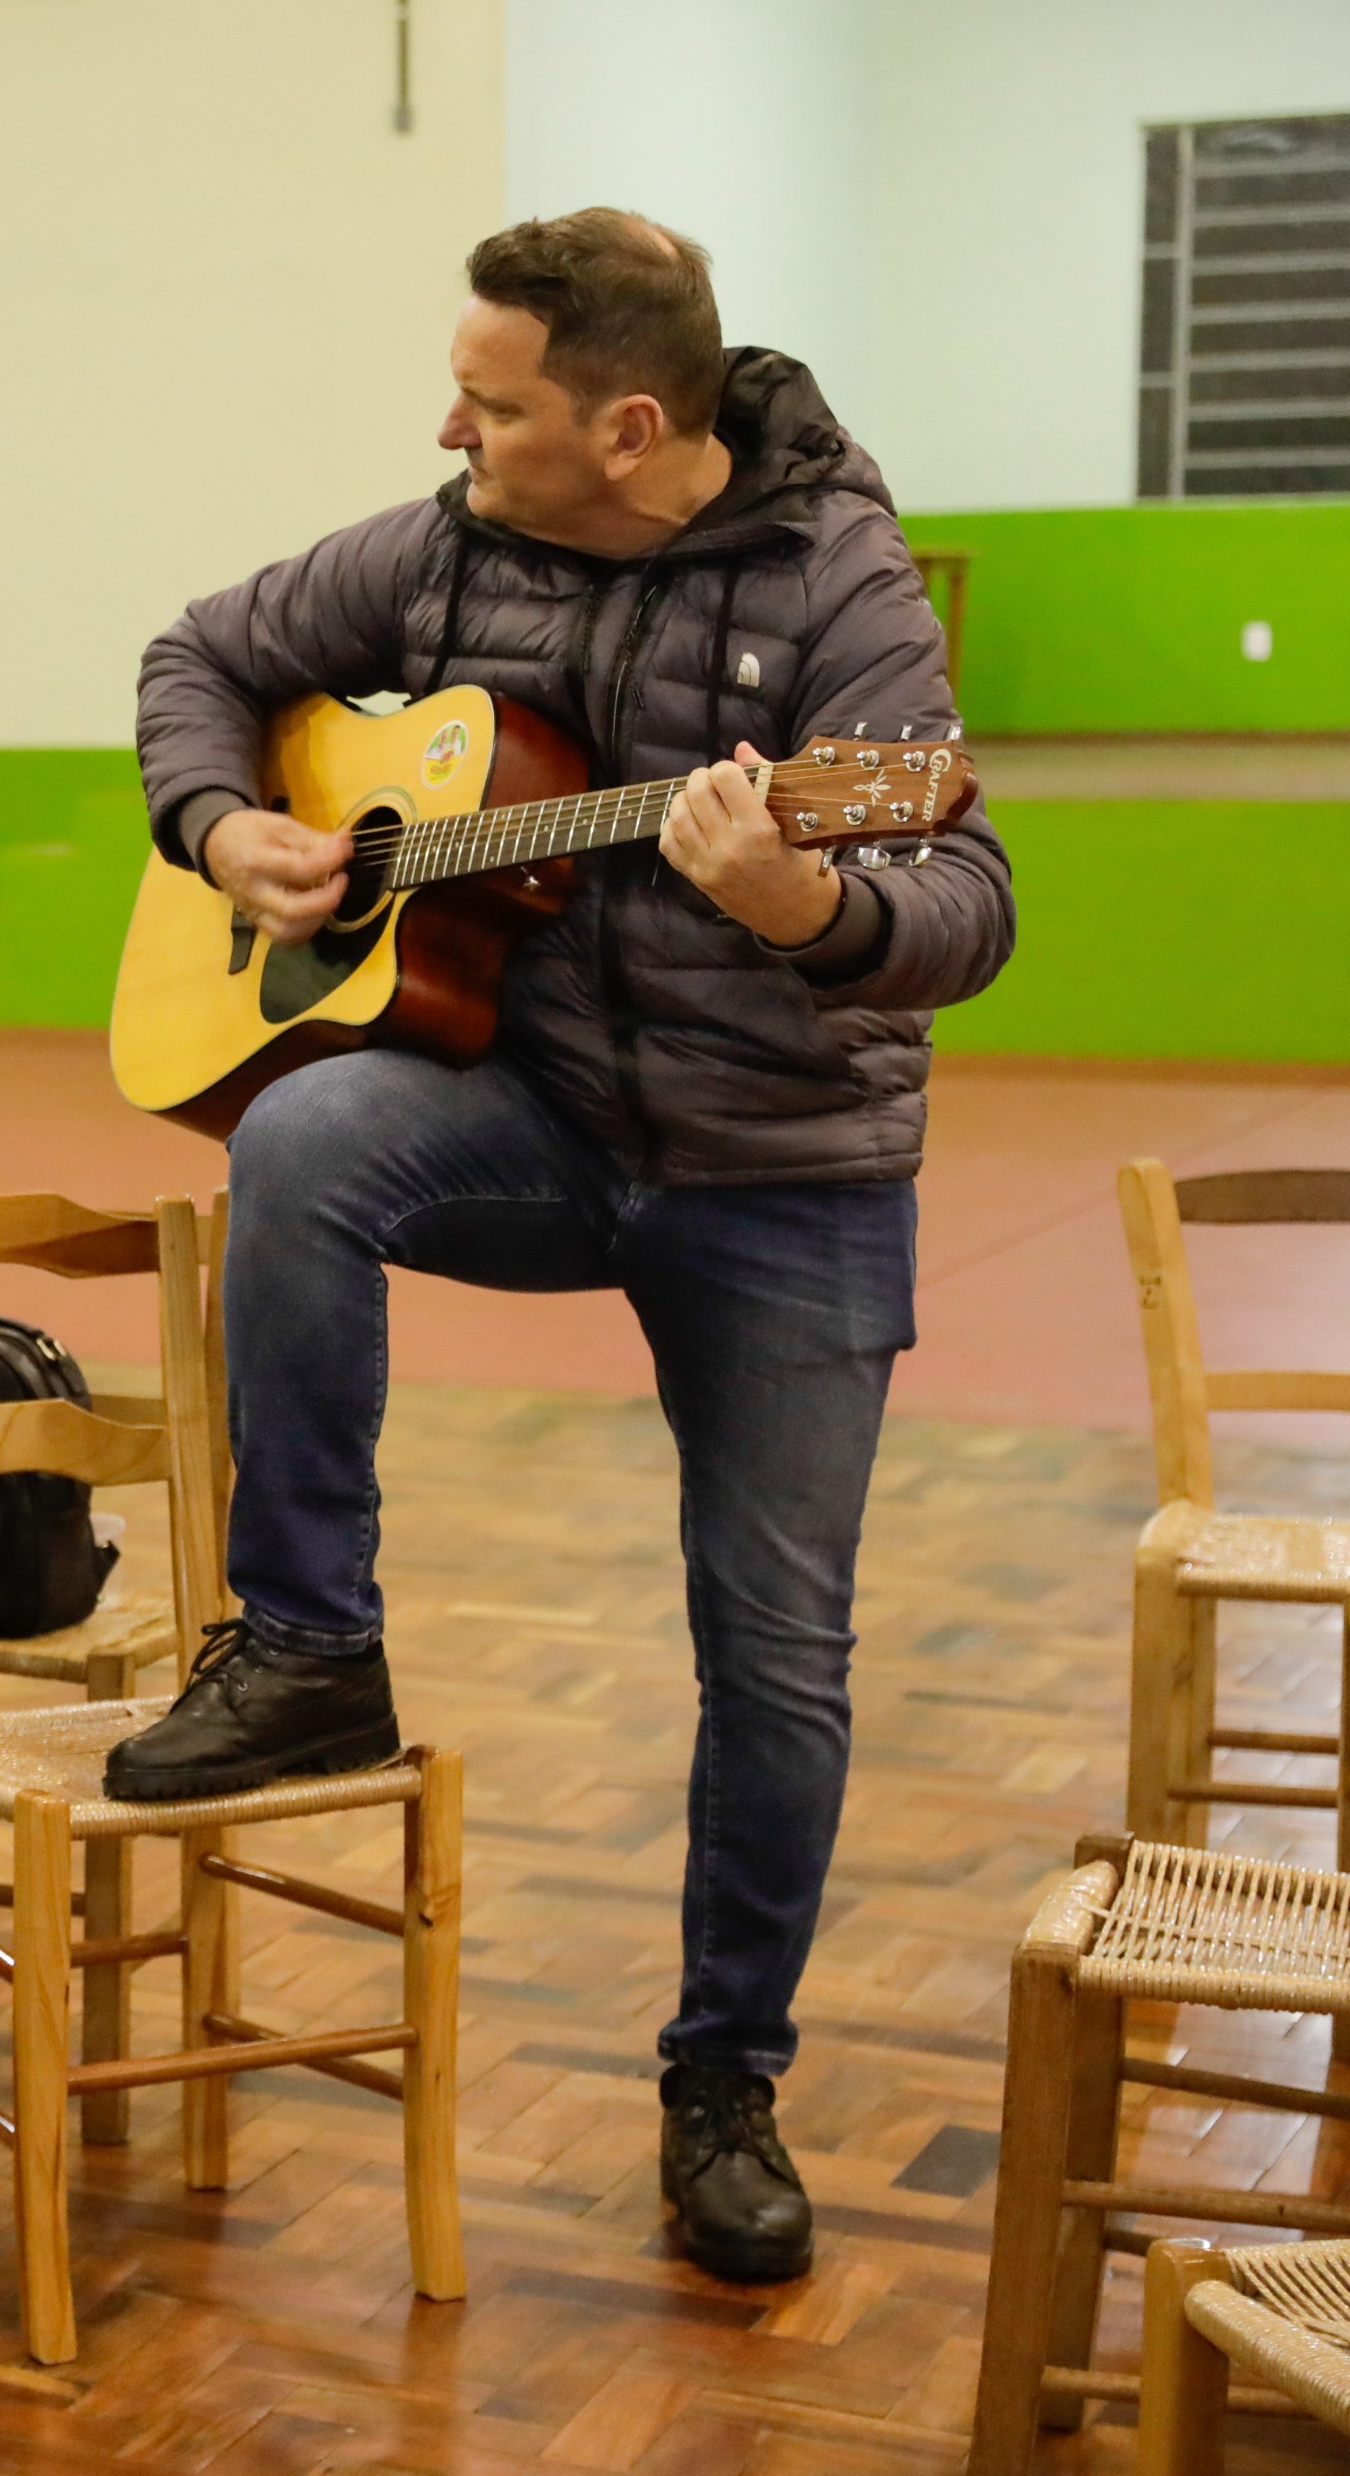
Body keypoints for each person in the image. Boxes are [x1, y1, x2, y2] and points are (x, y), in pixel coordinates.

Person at [109, 211, 1016, 2285]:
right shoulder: (441, 548)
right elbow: (203, 654)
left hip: (782, 1166)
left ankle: (722, 2089)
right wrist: (221, 827)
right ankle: (311, 1645)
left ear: (621, 425)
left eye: (488, 401)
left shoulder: (839, 588)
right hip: (535, 1117)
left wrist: (810, 908)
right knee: (314, 1127)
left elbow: (958, 895)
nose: (446, 425)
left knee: (776, 1659)